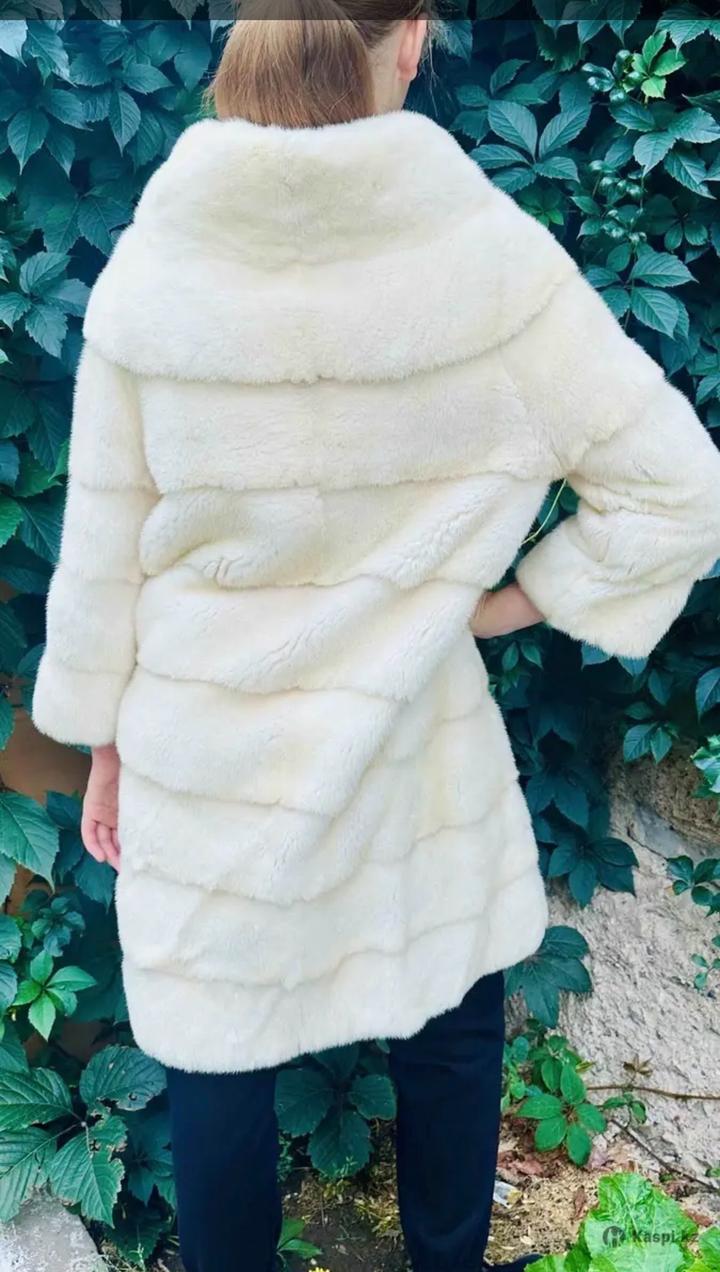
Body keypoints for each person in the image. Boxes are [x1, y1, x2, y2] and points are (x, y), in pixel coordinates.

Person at [32, 3, 720, 1271]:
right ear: (410, 39)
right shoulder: (483, 258)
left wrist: (107, 743)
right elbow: (677, 488)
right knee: (450, 1023)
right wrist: (500, 603)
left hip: (208, 742)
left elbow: (102, 544)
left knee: (217, 1053)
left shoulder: (162, 255)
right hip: (412, 737)